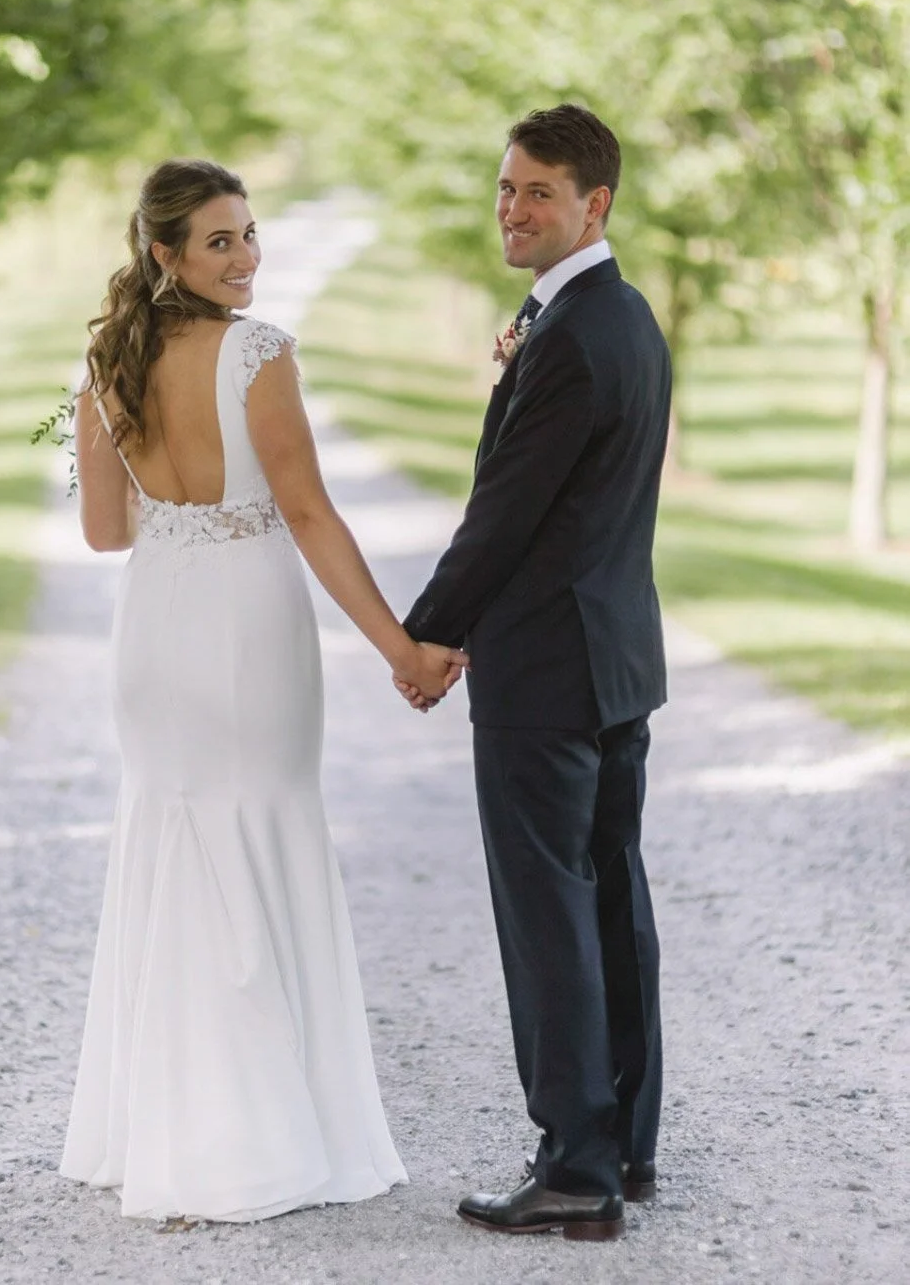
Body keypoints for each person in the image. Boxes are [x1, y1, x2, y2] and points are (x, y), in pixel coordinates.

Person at [59, 157, 466, 1223]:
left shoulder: (104, 358)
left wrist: (166, 487)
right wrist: (401, 649)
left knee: (177, 838)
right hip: (245, 620)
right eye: (219, 241)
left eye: (249, 235)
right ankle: (254, 1141)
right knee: (261, 832)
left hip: (155, 624)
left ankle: (159, 1133)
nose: (245, 259)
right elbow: (310, 515)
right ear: (165, 253)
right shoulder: (258, 352)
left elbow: (107, 534)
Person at [398, 105, 671, 1242]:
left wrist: (426, 635)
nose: (511, 209)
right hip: (609, 665)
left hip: (546, 673)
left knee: (548, 916)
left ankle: (573, 1165)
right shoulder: (623, 319)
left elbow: (505, 511)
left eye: (537, 193)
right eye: (505, 188)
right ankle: (623, 1148)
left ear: (592, 203)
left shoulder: (568, 337)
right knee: (608, 900)